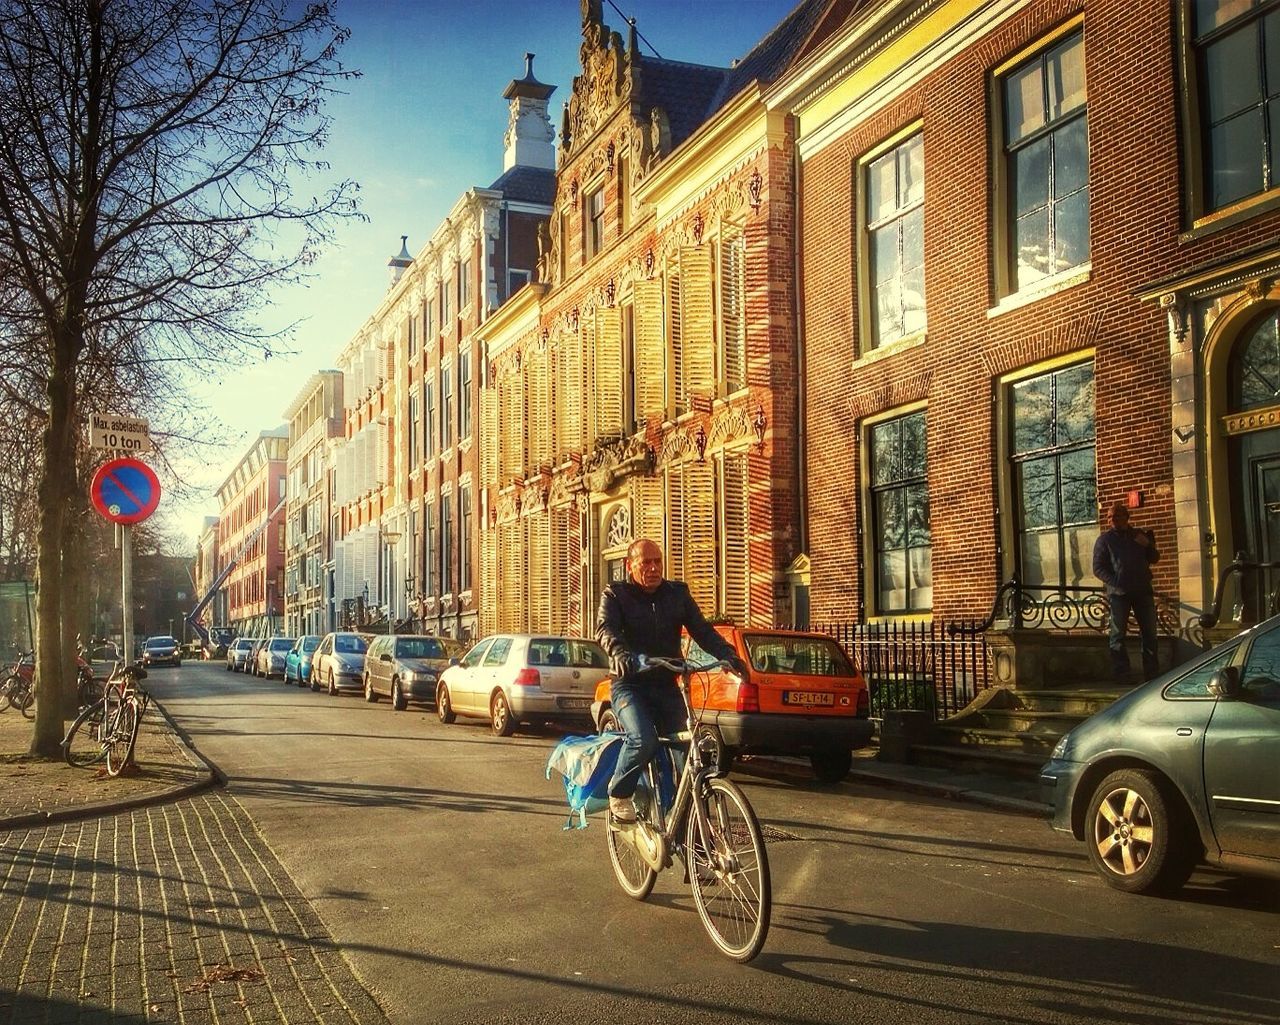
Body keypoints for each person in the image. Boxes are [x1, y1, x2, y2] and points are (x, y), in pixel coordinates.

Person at [595, 538, 748, 822]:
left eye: (658, 562)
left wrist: (728, 655)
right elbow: (606, 629)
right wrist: (618, 653)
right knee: (643, 740)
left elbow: (702, 630)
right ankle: (619, 792)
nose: (653, 568)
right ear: (630, 565)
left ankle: (688, 826)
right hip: (630, 685)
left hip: (666, 686)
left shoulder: (676, 594)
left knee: (690, 753)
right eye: (646, 563)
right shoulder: (616, 595)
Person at [1092, 500, 1160, 682]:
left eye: (1119, 516)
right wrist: (1116, 582)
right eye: (1111, 517)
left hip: (1143, 591)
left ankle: (1152, 674)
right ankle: (1122, 674)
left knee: (1150, 634)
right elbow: (1098, 568)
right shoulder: (1104, 541)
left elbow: (1154, 558)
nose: (1115, 520)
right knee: (1117, 635)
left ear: (1127, 517)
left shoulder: (1139, 535)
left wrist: (1148, 545)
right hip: (1119, 594)